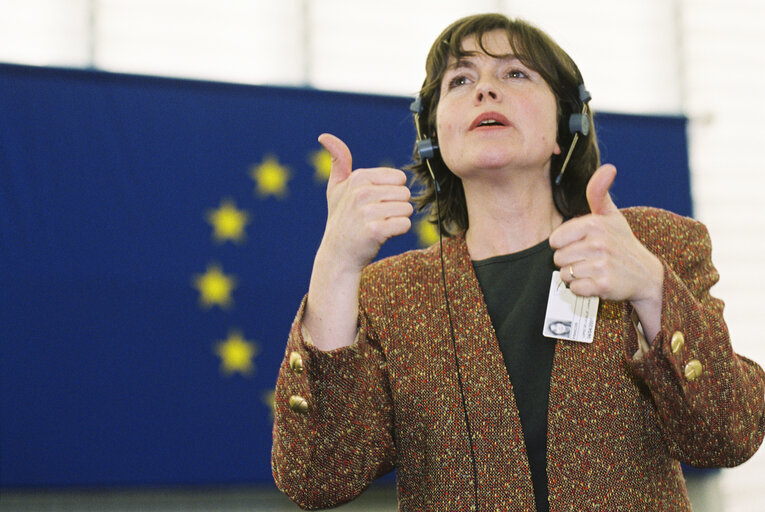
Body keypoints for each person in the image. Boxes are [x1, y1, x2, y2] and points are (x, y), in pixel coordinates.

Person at [271, 13, 765, 511]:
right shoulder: (389, 294)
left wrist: (651, 289)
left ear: (564, 126)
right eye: (460, 80)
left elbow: (728, 436)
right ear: (434, 136)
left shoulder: (653, 244)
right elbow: (316, 477)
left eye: (515, 73)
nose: (485, 89)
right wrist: (335, 263)